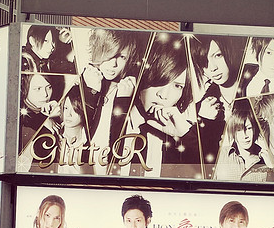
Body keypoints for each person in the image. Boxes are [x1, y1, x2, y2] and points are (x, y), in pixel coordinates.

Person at [118, 38, 200, 178]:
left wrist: (185, 135)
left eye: (177, 86)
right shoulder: (112, 116)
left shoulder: (178, 139)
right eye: (159, 80)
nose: (163, 95)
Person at [80, 28, 142, 155]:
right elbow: (77, 132)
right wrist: (91, 92)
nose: (113, 64)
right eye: (109, 54)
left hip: (109, 166)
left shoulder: (130, 90)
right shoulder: (81, 81)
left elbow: (121, 146)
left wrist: (123, 101)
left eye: (122, 57)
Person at [189, 34, 246, 168]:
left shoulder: (256, 84)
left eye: (218, 55)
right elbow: (195, 166)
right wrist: (205, 122)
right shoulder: (201, 109)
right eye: (204, 61)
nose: (212, 68)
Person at [212, 99, 266, 181]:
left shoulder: (265, 159)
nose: (245, 136)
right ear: (233, 131)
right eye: (239, 130)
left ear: (255, 129)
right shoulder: (221, 156)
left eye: (249, 128)